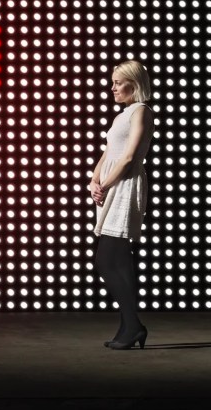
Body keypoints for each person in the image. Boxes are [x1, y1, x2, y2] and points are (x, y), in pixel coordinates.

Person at [89, 60, 154, 350]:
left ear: (134, 84)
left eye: (118, 82)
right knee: (120, 261)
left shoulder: (141, 111)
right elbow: (108, 151)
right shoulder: (122, 115)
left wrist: (106, 184)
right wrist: (94, 179)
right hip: (111, 186)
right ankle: (128, 326)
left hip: (124, 186)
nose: (113, 87)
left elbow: (128, 158)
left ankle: (134, 325)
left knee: (106, 260)